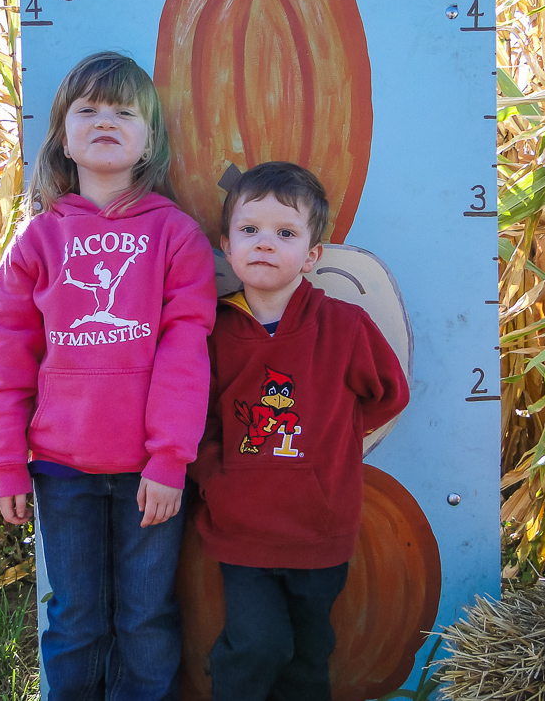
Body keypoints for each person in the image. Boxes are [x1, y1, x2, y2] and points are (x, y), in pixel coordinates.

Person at [0, 51, 216, 700]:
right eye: (87, 110)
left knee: (145, 618)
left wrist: (170, 459)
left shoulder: (177, 237)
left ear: (150, 141)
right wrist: (7, 461)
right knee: (77, 618)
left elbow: (184, 350)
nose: (104, 120)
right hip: (61, 471)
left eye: (124, 111)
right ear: (62, 135)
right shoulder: (36, 242)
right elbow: (7, 358)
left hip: (151, 474)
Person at [189, 161, 410, 701]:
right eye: (249, 230)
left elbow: (388, 394)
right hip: (243, 531)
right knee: (256, 646)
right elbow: (195, 421)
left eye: (285, 233)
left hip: (320, 531)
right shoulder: (211, 332)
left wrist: (330, 443)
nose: (265, 243)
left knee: (309, 660)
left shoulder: (343, 326)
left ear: (312, 255)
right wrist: (219, 480)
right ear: (226, 244)